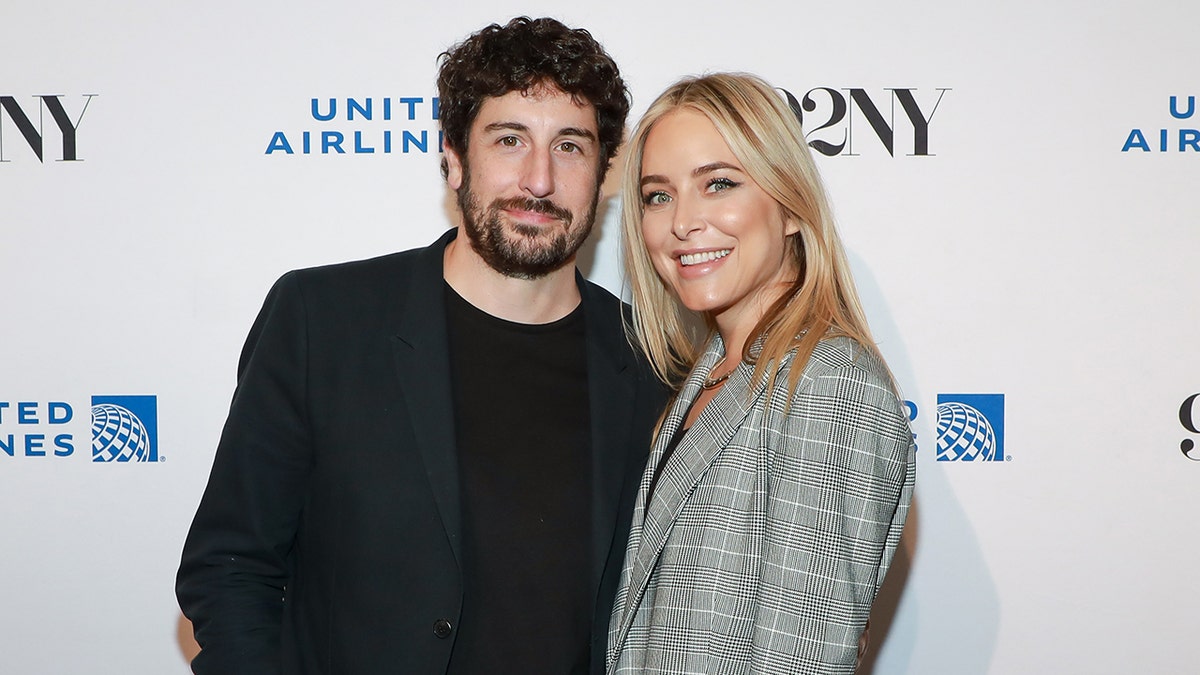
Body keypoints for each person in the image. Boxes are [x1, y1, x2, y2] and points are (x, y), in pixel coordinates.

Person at [176, 17, 667, 675]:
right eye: (509, 139)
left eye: (570, 146)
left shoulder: (652, 363)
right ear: (455, 156)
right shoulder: (322, 322)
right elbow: (230, 568)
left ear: (604, 171)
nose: (540, 179)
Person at [606, 73, 916, 674]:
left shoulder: (827, 382)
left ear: (792, 207)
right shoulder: (708, 377)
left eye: (718, 184)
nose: (683, 223)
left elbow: (801, 657)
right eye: (657, 195)